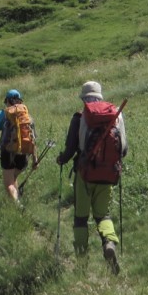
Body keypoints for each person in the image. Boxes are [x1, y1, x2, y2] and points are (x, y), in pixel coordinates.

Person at [56, 80, 127, 274]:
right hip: (108, 175)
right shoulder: (117, 116)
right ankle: (109, 243)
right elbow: (124, 149)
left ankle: (81, 261)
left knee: (80, 218)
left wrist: (61, 159)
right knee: (102, 214)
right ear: (100, 96)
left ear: (84, 98)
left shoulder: (80, 117)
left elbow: (70, 149)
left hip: (85, 174)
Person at [0, 88, 38, 203]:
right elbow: (32, 139)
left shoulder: (2, 114)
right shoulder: (27, 116)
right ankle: (17, 199)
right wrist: (35, 159)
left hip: (7, 151)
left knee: (9, 184)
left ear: (7, 101)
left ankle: (17, 206)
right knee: (13, 178)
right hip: (24, 152)